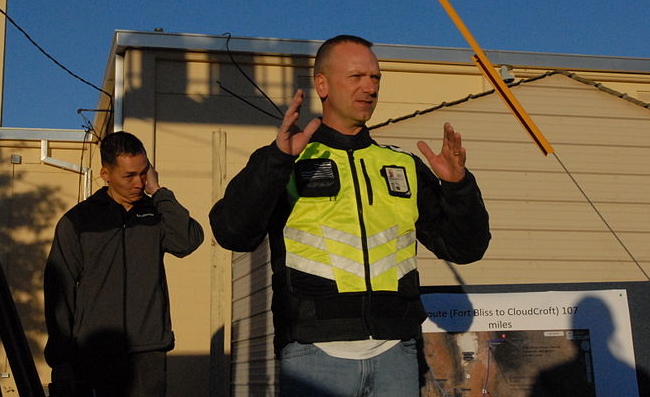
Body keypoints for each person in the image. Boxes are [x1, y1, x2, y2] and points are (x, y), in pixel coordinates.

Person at [209, 35, 490, 396]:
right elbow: (231, 232)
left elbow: (465, 248)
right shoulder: (287, 161)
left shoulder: (401, 165)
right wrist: (276, 161)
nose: (369, 87)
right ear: (322, 85)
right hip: (314, 355)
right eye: (356, 77)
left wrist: (458, 185)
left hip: (397, 354)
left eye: (375, 78)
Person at [43, 131, 204, 397]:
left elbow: (187, 241)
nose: (138, 182)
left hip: (148, 352)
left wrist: (160, 192)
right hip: (94, 352)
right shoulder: (78, 221)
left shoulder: (156, 213)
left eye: (143, 173)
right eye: (129, 176)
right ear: (105, 174)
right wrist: (61, 359)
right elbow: (59, 291)